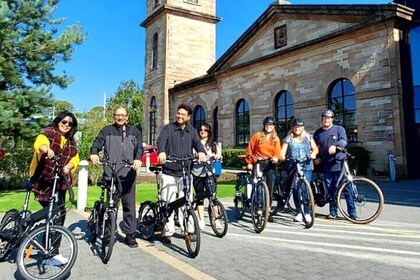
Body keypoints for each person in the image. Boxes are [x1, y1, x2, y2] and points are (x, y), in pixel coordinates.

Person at [30, 111, 80, 265]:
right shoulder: (49, 132)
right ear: (58, 121)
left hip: (59, 182)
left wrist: (70, 165)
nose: (66, 125)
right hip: (43, 179)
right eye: (64, 122)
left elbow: (75, 157)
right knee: (55, 214)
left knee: (60, 214)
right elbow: (39, 143)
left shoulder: (70, 141)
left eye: (70, 123)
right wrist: (46, 149)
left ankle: (50, 247)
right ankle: (51, 252)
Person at [89, 107, 143, 248]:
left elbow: (139, 149)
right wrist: (94, 153)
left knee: (129, 206)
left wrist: (138, 159)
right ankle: (107, 232)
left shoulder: (135, 132)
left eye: (123, 115)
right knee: (111, 205)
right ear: (114, 116)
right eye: (117, 115)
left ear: (127, 117)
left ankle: (129, 234)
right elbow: (97, 143)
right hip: (111, 173)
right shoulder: (107, 130)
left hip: (128, 174)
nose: (120, 117)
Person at [156, 104, 206, 244]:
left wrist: (201, 152)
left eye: (183, 114)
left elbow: (198, 144)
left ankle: (188, 231)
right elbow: (161, 141)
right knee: (168, 202)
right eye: (178, 113)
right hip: (169, 172)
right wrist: (162, 151)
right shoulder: (168, 129)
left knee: (187, 203)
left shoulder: (192, 131)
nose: (179, 116)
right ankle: (167, 232)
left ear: (188, 117)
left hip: (185, 172)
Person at [313, 109, 356, 219]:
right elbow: (314, 147)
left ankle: (352, 213)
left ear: (332, 119)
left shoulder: (339, 129)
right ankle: (333, 212)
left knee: (347, 189)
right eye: (324, 118)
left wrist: (336, 145)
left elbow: (344, 141)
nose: (326, 120)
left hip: (340, 164)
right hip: (326, 165)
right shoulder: (318, 133)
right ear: (322, 119)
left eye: (328, 118)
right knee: (331, 189)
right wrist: (316, 158)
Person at [280, 118, 318, 222]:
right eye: (295, 127)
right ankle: (299, 211)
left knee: (306, 188)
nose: (297, 129)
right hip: (293, 165)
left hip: (306, 165)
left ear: (302, 128)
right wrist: (283, 156)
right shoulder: (288, 139)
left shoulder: (308, 137)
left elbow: (315, 149)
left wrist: (313, 154)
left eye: (299, 127)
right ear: (292, 128)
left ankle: (307, 212)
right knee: (296, 188)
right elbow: (282, 151)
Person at [245, 116, 281, 222]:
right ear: (264, 126)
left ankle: (267, 211)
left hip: (270, 163)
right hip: (258, 162)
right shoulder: (257, 136)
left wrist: (276, 157)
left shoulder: (276, 138)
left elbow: (277, 151)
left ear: (274, 126)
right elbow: (250, 150)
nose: (268, 127)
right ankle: (258, 207)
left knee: (270, 187)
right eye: (267, 125)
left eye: (271, 125)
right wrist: (249, 163)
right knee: (258, 185)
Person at [191, 123, 222, 230]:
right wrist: (197, 155)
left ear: (209, 132)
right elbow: (191, 154)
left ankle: (216, 218)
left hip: (209, 172)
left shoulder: (213, 144)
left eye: (205, 130)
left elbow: (218, 156)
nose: (202, 131)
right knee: (200, 196)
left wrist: (218, 156)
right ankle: (201, 219)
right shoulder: (195, 143)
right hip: (197, 172)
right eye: (201, 130)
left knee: (212, 196)